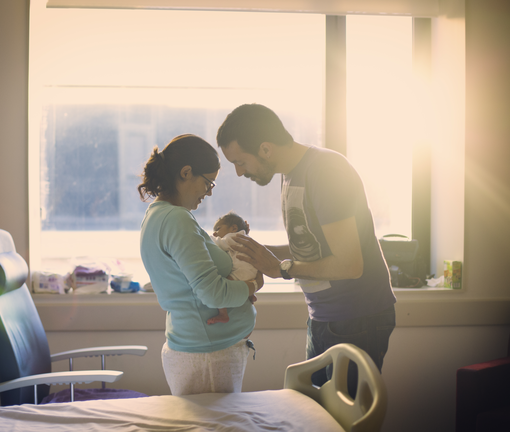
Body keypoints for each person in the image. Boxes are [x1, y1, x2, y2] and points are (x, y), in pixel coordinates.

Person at [215, 103, 397, 397]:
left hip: (357, 318)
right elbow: (313, 245)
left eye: (240, 162)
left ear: (265, 149)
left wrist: (281, 269)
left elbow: (350, 264)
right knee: (316, 415)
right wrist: (255, 253)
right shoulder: (290, 175)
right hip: (324, 317)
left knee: (343, 421)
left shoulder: (325, 171)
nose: (238, 173)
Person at [138, 134, 264, 396]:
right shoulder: (176, 220)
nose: (208, 193)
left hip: (204, 350)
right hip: (208, 355)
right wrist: (252, 285)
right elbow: (212, 293)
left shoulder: (158, 214)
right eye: (208, 183)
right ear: (186, 172)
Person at [207, 211, 259, 325]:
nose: (215, 233)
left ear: (234, 228)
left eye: (218, 229)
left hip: (242, 272)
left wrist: (206, 238)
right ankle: (250, 295)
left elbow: (218, 244)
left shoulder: (233, 237)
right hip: (250, 272)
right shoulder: (243, 237)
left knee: (222, 288)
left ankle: (223, 313)